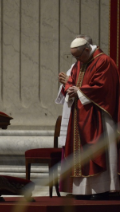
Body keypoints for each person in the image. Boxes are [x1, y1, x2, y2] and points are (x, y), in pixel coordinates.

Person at [64, 37, 120, 200]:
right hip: (80, 115)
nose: (76, 61)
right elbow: (71, 81)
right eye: (74, 57)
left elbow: (104, 87)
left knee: (100, 150)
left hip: (99, 116)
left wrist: (79, 91)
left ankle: (101, 189)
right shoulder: (81, 62)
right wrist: (69, 89)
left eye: (78, 56)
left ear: (87, 50)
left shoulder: (104, 62)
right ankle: (82, 191)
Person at [56, 35, 93, 192]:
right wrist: (65, 85)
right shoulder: (74, 66)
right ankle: (72, 188)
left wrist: (68, 82)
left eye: (78, 54)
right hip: (72, 112)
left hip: (86, 116)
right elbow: (68, 93)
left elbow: (89, 90)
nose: (77, 58)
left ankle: (81, 189)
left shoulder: (95, 65)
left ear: (87, 49)